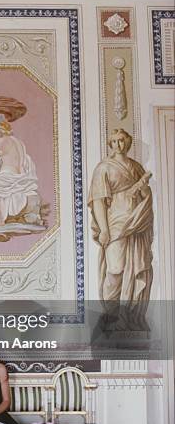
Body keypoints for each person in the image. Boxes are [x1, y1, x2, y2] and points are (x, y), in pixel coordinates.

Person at [88, 128, 153, 314]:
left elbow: (145, 194)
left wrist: (142, 188)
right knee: (115, 268)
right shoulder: (104, 168)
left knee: (134, 267)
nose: (119, 145)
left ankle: (127, 316)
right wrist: (104, 230)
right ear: (110, 144)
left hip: (138, 222)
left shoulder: (136, 167)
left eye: (122, 140)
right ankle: (110, 312)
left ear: (128, 142)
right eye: (115, 141)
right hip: (116, 222)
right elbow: (99, 201)